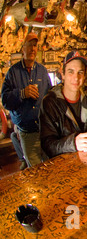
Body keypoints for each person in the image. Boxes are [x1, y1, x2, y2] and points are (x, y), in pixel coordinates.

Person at [39, 51, 87, 158]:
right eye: (71, 72)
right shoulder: (49, 103)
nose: (76, 78)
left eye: (80, 72)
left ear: (84, 76)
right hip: (62, 167)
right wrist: (73, 143)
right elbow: (47, 146)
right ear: (63, 74)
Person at [1, 32, 52, 167]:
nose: (32, 49)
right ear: (23, 48)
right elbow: (5, 100)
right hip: (27, 131)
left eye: (35, 46)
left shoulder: (42, 71)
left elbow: (50, 97)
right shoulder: (13, 72)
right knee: (35, 169)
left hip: (45, 129)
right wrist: (22, 93)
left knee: (51, 165)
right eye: (29, 45)